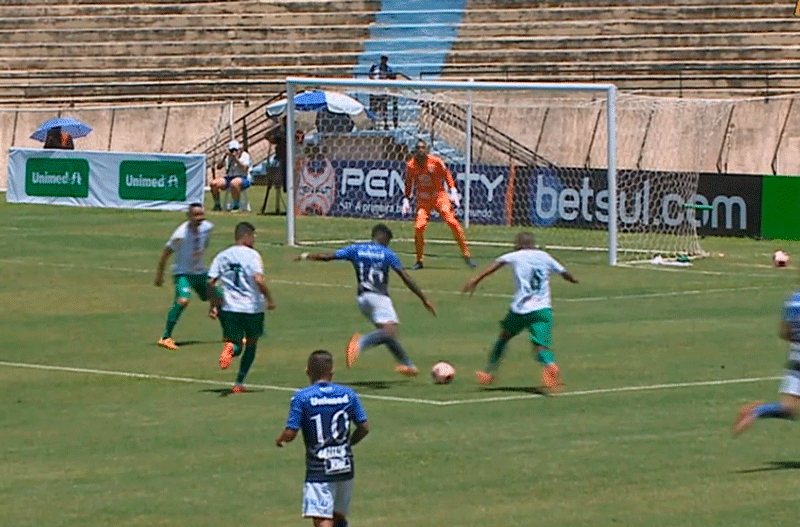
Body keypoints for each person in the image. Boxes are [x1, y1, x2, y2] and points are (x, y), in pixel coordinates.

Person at [296, 223, 436, 376]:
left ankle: (407, 364)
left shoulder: (356, 249)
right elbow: (405, 277)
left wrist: (306, 256)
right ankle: (360, 343)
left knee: (386, 334)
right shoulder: (387, 253)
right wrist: (424, 299)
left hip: (363, 299)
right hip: (379, 297)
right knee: (389, 332)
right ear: (385, 239)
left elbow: (328, 257)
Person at [462, 232, 578, 389]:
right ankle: (550, 365)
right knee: (540, 347)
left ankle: (489, 373)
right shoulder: (544, 256)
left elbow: (495, 266)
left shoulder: (515, 256)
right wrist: (573, 280)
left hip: (521, 309)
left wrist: (475, 279)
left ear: (518, 244)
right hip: (542, 309)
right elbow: (564, 273)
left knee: (504, 338)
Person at [276, 349, 369, 527]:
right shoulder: (348, 394)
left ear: (307, 371)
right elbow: (364, 428)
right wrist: (348, 444)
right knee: (338, 517)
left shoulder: (302, 397)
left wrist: (280, 439)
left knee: (322, 519)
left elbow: (291, 433)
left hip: (319, 468)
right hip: (344, 465)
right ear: (331, 372)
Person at [207, 221, 276, 393]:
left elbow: (210, 281)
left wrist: (214, 304)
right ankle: (238, 383)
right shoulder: (252, 255)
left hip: (229, 307)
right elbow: (259, 279)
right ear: (246, 236)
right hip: (252, 307)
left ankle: (231, 348)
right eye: (253, 236)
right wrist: (269, 299)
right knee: (251, 344)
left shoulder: (222, 255)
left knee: (235, 342)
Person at [733, 289, 800, 435]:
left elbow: (785, 333)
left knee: (788, 408)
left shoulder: (793, 300)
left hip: (796, 359)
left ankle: (755, 412)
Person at [402, 139, 475, 270]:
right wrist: (406, 199)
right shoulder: (411, 165)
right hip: (423, 200)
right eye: (418, 148)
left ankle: (466, 255)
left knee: (452, 222)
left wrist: (453, 190)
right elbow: (409, 182)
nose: (420, 150)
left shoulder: (436, 162)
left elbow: (447, 175)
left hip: (438, 196)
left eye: (423, 148)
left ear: (427, 150)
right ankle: (419, 260)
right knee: (419, 227)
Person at [154, 203, 214, 351]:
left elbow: (203, 245)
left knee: (220, 298)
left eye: (201, 214)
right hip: (183, 274)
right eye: (196, 215)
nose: (199, 218)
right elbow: (165, 254)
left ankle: (234, 334)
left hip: (199, 272)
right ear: (189, 217)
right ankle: (166, 337)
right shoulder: (180, 235)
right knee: (183, 300)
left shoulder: (207, 228)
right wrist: (159, 275)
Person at [211, 140, 251, 212]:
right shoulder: (227, 157)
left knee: (234, 183)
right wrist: (224, 157)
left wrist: (236, 159)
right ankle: (217, 204)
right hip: (229, 177)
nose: (233, 152)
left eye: (235, 150)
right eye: (231, 150)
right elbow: (219, 167)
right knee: (214, 183)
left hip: (242, 178)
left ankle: (236, 205)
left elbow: (245, 169)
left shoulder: (245, 155)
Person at [368, 55, 398, 129]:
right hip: (374, 90)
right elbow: (370, 75)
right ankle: (372, 124)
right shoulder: (375, 67)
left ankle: (385, 123)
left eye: (385, 59)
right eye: (382, 59)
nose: (383, 60)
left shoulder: (388, 69)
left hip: (383, 91)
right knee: (373, 108)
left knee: (384, 108)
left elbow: (392, 77)